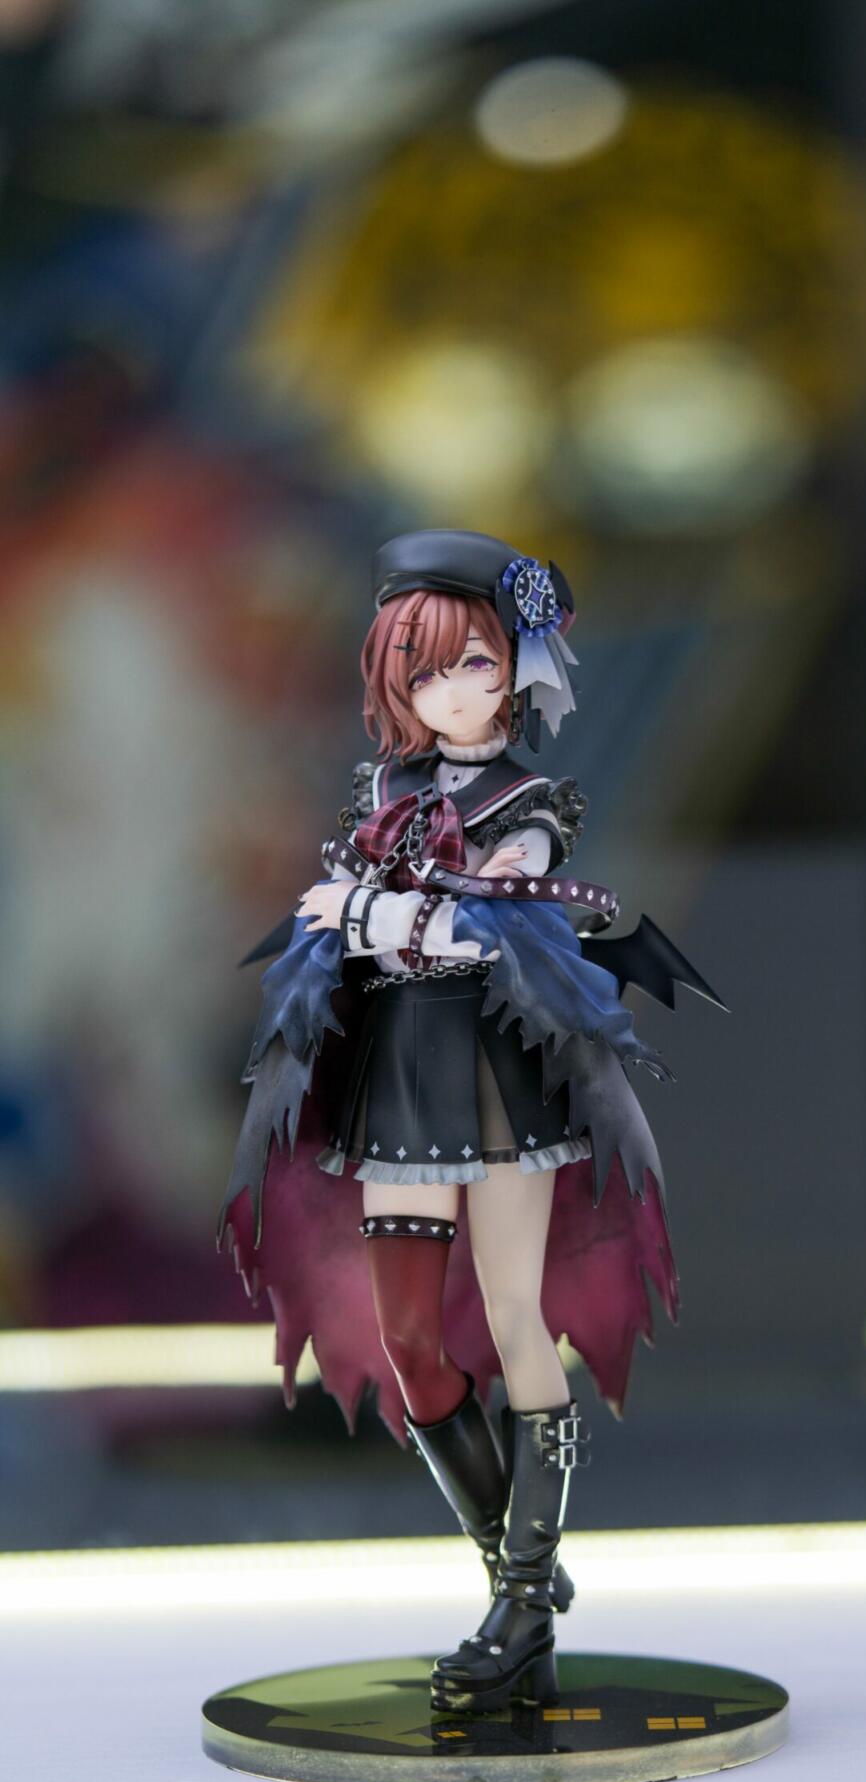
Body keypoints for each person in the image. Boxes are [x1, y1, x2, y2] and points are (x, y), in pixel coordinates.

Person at [219, 529, 720, 1712]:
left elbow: (481, 932)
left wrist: (377, 916)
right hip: (399, 1072)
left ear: (515, 670)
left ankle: (521, 1600)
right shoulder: (382, 793)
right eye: (426, 667)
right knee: (409, 1338)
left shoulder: (527, 803)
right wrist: (380, 918)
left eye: (476, 664)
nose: (453, 690)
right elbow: (350, 919)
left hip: (496, 1073)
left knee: (510, 1313)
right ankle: (519, 1576)